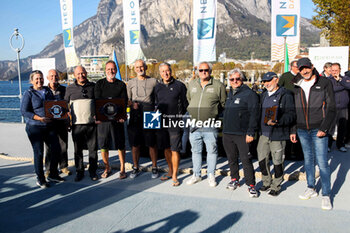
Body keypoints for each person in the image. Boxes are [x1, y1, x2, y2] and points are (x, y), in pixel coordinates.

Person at [290, 58, 336, 210]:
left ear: (312, 66)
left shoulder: (324, 83)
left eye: (307, 68)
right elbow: (294, 109)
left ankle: (326, 195)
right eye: (301, 69)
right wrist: (293, 129)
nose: (304, 71)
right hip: (302, 129)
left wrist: (325, 127)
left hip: (319, 129)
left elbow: (331, 107)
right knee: (308, 161)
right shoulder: (296, 84)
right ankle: (311, 187)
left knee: (322, 163)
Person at [21, 70, 65, 188]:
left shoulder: (47, 91)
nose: (39, 80)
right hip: (34, 127)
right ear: (32, 81)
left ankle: (53, 174)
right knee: (39, 152)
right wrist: (39, 118)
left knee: (55, 149)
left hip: (49, 126)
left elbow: (53, 106)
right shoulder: (29, 93)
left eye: (40, 78)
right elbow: (24, 111)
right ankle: (40, 178)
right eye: (36, 79)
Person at [186, 62, 226, 187]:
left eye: (206, 70)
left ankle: (211, 175)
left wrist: (212, 114)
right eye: (201, 70)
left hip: (210, 125)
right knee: (196, 151)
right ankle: (196, 175)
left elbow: (223, 104)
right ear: (198, 71)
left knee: (212, 151)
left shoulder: (218, 85)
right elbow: (189, 99)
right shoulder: (192, 84)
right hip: (194, 125)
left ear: (210, 71)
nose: (203, 72)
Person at [222, 68, 259, 197]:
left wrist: (250, 132)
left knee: (246, 160)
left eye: (237, 79)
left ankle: (251, 185)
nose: (235, 81)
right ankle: (234, 179)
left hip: (242, 134)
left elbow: (254, 114)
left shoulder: (250, 94)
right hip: (228, 133)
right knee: (231, 159)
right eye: (232, 79)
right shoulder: (230, 93)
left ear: (242, 79)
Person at [257, 72, 295, 196]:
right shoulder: (263, 95)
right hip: (263, 134)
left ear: (276, 80)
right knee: (262, 160)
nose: (266, 83)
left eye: (269, 80)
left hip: (278, 134)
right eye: (264, 81)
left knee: (277, 161)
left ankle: (276, 186)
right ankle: (266, 182)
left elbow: (291, 115)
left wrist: (278, 121)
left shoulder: (285, 95)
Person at [154, 62, 188, 186]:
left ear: (171, 71)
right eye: (163, 71)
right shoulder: (157, 87)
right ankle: (170, 170)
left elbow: (185, 104)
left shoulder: (180, 86)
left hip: (175, 122)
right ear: (160, 73)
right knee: (166, 148)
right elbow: (156, 104)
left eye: (167, 70)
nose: (165, 73)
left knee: (175, 149)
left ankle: (174, 175)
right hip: (162, 122)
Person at [65, 65, 98, 182]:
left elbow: (99, 103)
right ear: (75, 75)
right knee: (77, 150)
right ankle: (79, 171)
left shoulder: (94, 87)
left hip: (91, 124)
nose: (81, 75)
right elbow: (65, 106)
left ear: (86, 73)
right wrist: (68, 120)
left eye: (83, 73)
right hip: (76, 125)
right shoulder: (69, 88)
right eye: (78, 74)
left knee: (92, 149)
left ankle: (93, 171)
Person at [95, 60, 127, 179]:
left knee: (120, 144)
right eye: (108, 69)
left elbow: (124, 102)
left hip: (117, 120)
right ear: (105, 71)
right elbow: (96, 102)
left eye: (113, 69)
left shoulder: (121, 85)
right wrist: (97, 117)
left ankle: (122, 168)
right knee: (103, 145)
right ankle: (107, 167)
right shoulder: (99, 84)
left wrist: (123, 117)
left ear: (116, 70)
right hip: (103, 121)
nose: (111, 71)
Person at [127, 59, 158, 179]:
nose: (139, 69)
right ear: (134, 69)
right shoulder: (130, 83)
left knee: (152, 143)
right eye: (137, 67)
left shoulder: (154, 81)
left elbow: (158, 98)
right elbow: (127, 100)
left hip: (151, 115)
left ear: (145, 67)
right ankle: (135, 167)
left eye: (142, 67)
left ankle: (154, 167)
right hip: (136, 114)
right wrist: (131, 104)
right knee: (135, 144)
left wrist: (157, 109)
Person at [44, 69, 71, 177]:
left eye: (55, 76)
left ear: (59, 77)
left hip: (62, 123)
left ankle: (64, 166)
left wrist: (69, 122)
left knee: (63, 145)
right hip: (49, 123)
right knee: (49, 147)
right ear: (47, 77)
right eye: (51, 76)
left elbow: (68, 107)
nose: (54, 78)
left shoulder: (64, 90)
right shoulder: (44, 91)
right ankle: (48, 169)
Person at [327, 63, 350, 152]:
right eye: (333, 70)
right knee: (330, 128)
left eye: (336, 70)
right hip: (332, 107)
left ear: (340, 70)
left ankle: (340, 145)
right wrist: (342, 87)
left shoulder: (346, 79)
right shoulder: (328, 80)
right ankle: (328, 145)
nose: (334, 72)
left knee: (342, 127)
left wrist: (340, 80)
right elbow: (331, 89)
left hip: (343, 107)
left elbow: (349, 86)